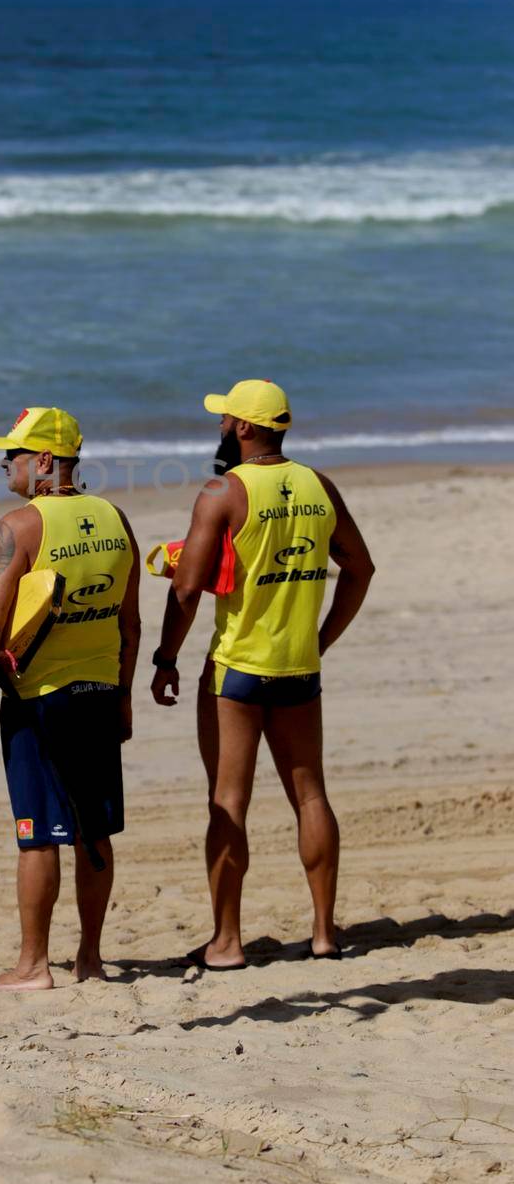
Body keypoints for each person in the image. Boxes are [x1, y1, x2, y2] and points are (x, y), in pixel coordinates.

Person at [150, 380, 374, 969]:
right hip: (299, 667)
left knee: (229, 800)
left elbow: (188, 586)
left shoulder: (223, 491)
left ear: (245, 428)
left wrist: (165, 658)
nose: (221, 427)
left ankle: (227, 943)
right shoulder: (317, 485)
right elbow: (360, 567)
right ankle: (325, 933)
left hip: (238, 670)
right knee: (312, 796)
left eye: (226, 420)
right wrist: (321, 639)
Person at [0, 408, 141, 993]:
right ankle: (92, 960)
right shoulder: (116, 519)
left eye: (16, 453)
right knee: (93, 831)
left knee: (39, 834)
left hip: (40, 701)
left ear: (46, 461)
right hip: (100, 694)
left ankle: (33, 967)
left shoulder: (20, 526)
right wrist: (124, 697)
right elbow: (129, 622)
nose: (5, 462)